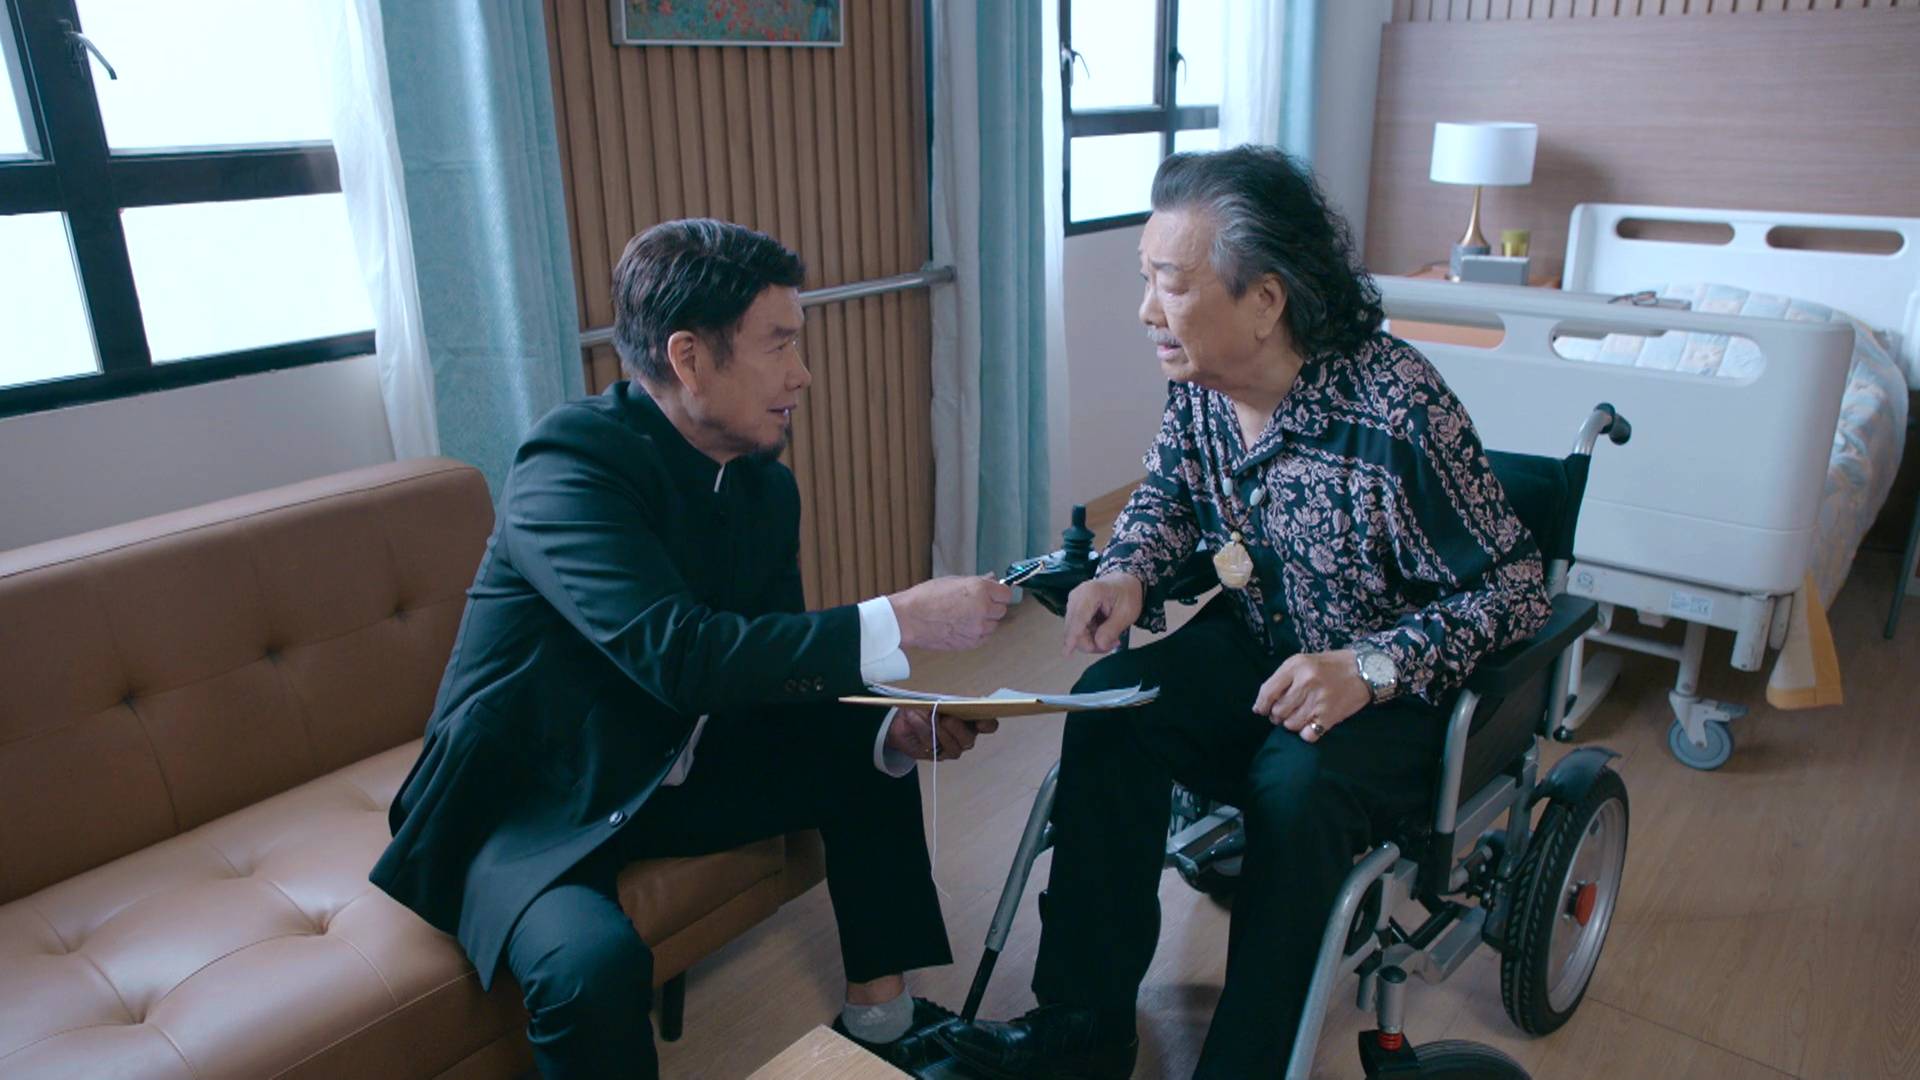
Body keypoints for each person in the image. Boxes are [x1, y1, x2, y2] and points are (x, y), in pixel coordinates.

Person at [939, 147, 1552, 1078]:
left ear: (1265, 301)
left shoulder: (1398, 412)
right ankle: (1083, 1027)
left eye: (1171, 283)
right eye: (1145, 278)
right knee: (1110, 708)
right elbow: (1167, 494)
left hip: (1388, 694)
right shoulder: (1200, 389)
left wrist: (1370, 668)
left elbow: (1516, 588)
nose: (1146, 309)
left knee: (1292, 789)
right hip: (1263, 643)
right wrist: (1129, 572)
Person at [371, 218, 1012, 1079]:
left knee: (868, 750)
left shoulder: (762, 486)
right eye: (779, 344)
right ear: (689, 357)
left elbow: (773, 664)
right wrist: (901, 618)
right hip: (535, 799)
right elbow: (679, 656)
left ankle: (883, 1026)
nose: (802, 374)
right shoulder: (568, 466)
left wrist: (881, 725)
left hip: (666, 764)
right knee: (589, 968)